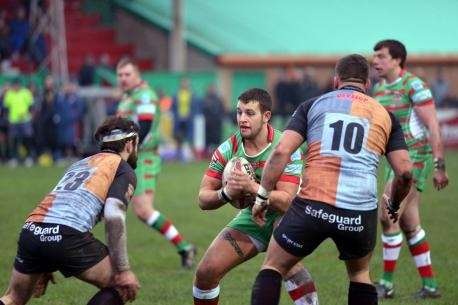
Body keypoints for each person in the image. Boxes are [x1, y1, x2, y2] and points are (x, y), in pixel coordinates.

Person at [250, 54, 413, 305]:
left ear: (336, 81)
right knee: (360, 274)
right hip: (359, 211)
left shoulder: (312, 105)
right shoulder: (385, 116)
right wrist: (393, 203)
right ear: (367, 84)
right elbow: (405, 173)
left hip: (313, 205)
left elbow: (281, 151)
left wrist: (262, 196)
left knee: (273, 266)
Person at [193, 88, 319, 305]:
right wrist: (225, 193)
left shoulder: (284, 147)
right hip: (254, 215)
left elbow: (287, 202)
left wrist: (251, 187)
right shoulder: (229, 148)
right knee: (206, 272)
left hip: (288, 215)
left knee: (283, 263)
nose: (242, 119)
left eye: (250, 113)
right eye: (239, 112)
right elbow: (203, 198)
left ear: (266, 116)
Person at [0, 116, 141, 305]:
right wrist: (123, 270)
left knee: (13, 298)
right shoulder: (122, 168)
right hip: (67, 234)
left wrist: (45, 260)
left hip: (32, 230)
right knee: (121, 286)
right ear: (130, 144)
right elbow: (114, 215)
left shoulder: (80, 164)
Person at [372, 39, 449, 299]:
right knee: (409, 223)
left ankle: (386, 284)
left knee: (387, 214)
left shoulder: (414, 86)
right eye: (375, 57)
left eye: (381, 56)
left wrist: (440, 165)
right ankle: (430, 287)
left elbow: (434, 126)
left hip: (415, 159)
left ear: (397, 60)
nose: (375, 61)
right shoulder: (379, 89)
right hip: (393, 160)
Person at [116, 57, 196, 269]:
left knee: (142, 210)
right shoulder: (127, 97)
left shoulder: (145, 95)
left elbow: (146, 124)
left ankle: (184, 247)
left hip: (144, 158)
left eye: (127, 74)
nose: (123, 78)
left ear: (137, 75)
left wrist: (130, 149)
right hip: (127, 157)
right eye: (120, 75)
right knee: (112, 205)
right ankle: (107, 259)